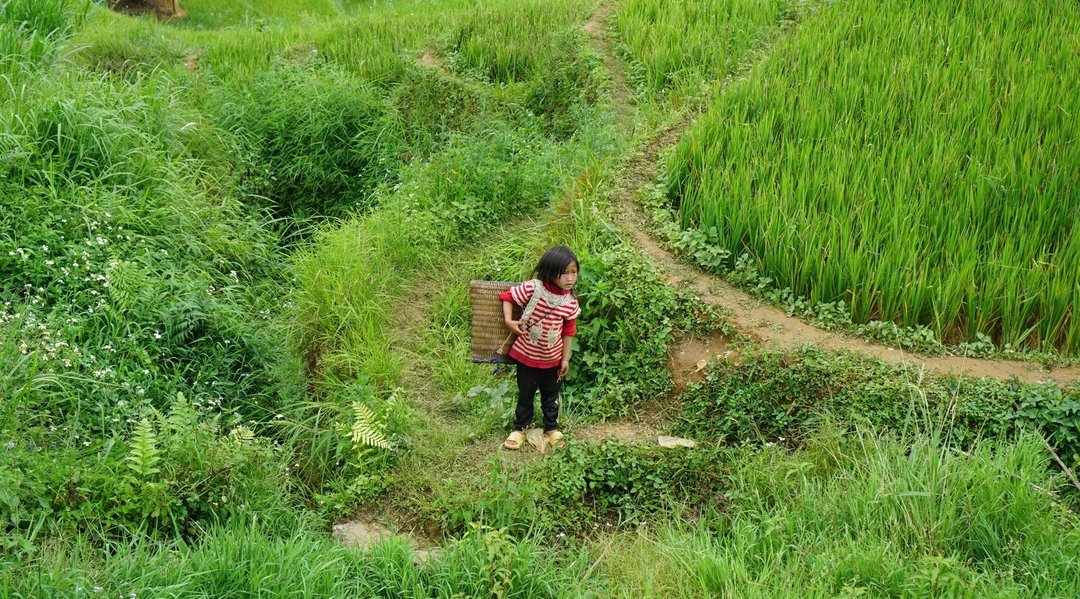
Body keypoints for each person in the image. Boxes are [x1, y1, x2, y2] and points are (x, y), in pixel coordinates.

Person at [499, 246, 580, 450]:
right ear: (551, 271)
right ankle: (520, 428)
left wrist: (565, 358)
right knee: (525, 393)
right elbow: (508, 296)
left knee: (551, 396)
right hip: (527, 355)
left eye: (574, 272)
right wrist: (509, 321)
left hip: (552, 359)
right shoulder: (533, 288)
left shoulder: (570, 302)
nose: (570, 278)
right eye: (564, 273)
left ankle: (551, 428)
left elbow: (569, 331)